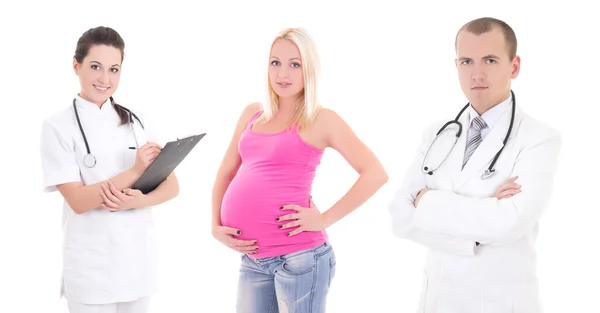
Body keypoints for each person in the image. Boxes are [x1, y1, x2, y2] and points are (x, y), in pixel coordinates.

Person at [387, 17, 561, 313]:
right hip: (437, 302)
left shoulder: (539, 138)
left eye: (490, 60)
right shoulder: (437, 134)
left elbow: (510, 222)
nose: (477, 73)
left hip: (499, 303)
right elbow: (400, 217)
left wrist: (427, 202)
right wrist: (484, 217)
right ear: (456, 66)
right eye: (466, 61)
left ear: (514, 66)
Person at [211, 27, 388, 313]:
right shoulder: (252, 113)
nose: (283, 73)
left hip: (300, 258)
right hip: (253, 259)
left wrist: (324, 219)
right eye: (275, 62)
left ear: (309, 70)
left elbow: (375, 173)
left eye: (295, 64)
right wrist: (215, 225)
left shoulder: (321, 119)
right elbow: (226, 172)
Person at [40, 26, 180, 313]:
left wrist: (142, 200)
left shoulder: (138, 120)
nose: (105, 79)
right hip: (92, 270)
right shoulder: (57, 127)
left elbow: (172, 184)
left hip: (137, 263)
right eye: (95, 67)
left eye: (114, 69)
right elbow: (78, 201)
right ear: (76, 66)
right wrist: (134, 172)